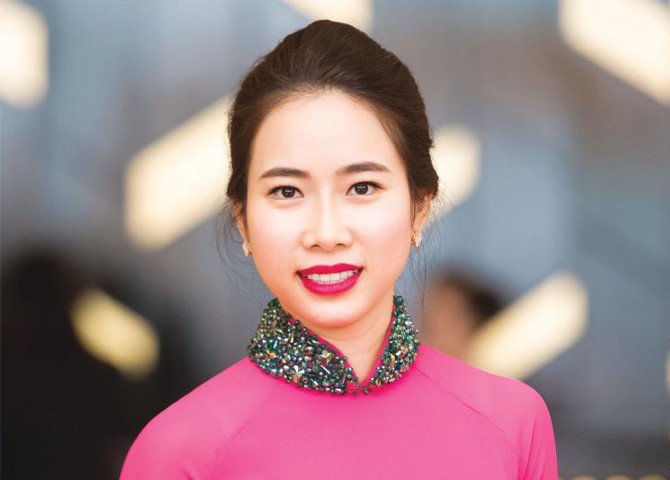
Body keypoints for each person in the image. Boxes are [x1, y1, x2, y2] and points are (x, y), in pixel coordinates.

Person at [120, 19, 558, 479]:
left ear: (419, 208)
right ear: (243, 220)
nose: (326, 233)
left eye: (362, 187)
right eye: (287, 191)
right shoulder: (180, 449)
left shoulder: (513, 423)